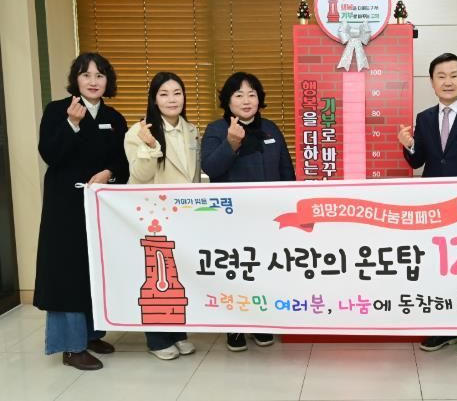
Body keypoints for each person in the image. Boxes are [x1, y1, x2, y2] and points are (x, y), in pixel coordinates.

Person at [34, 52, 129, 370]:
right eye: (86, 74)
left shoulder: (114, 118)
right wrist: (72, 124)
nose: (93, 81)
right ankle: (71, 346)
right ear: (76, 79)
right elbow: (49, 153)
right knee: (67, 272)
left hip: (100, 205)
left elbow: (123, 162)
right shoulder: (58, 110)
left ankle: (90, 334)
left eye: (99, 75)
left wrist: (108, 174)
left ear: (107, 81)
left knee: (94, 269)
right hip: (65, 206)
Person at [398, 52, 457, 360]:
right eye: (441, 76)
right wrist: (408, 145)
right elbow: (419, 161)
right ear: (432, 82)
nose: (448, 81)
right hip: (433, 204)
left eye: (454, 75)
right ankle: (443, 327)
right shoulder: (425, 118)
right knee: (437, 267)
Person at [201, 71, 295, 351]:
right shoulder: (216, 130)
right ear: (227, 101)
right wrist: (231, 143)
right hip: (233, 218)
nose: (246, 100)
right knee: (237, 270)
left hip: (269, 217)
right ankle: (234, 326)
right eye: (239, 94)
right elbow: (210, 168)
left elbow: (286, 171)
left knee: (264, 269)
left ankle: (260, 322)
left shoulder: (271, 129)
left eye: (251, 94)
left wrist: (291, 205)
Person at [124, 72, 199, 360]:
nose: (172, 99)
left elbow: (193, 174)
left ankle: (178, 333)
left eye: (177, 93)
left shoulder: (191, 129)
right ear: (154, 99)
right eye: (164, 94)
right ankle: (157, 339)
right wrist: (149, 146)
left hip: (185, 214)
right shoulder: (139, 131)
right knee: (156, 275)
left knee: (179, 274)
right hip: (153, 214)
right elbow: (139, 176)